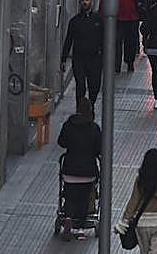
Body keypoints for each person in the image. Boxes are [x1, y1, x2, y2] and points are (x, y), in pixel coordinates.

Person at [115, 148, 157, 254]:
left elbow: (133, 202)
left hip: (144, 222)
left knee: (145, 251)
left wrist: (124, 222)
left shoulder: (141, 181)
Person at [57, 98, 102, 239]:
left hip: (70, 169)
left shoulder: (69, 125)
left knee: (69, 195)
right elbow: (98, 149)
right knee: (84, 198)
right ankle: (81, 230)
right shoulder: (94, 128)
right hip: (88, 171)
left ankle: (68, 219)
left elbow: (61, 142)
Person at [61, 0, 103, 107]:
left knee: (94, 85)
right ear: (80, 2)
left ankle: (91, 106)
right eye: (83, 0)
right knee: (80, 85)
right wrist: (63, 59)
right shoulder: (75, 21)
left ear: (91, 2)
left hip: (94, 58)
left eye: (87, 0)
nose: (85, 2)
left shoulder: (98, 19)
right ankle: (80, 109)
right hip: (79, 58)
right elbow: (68, 40)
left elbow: (104, 39)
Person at [114, 0, 144, 73]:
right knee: (117, 42)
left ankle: (129, 62)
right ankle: (116, 64)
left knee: (130, 42)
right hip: (118, 18)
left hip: (132, 18)